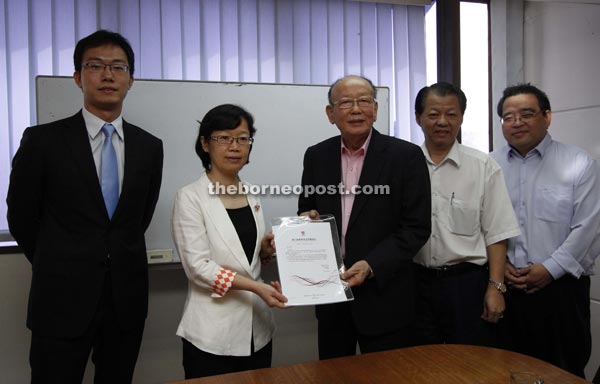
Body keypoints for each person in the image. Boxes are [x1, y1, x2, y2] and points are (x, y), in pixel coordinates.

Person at [6, 30, 163, 383]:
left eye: (118, 67)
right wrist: (57, 259)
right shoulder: (43, 141)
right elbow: (21, 216)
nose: (108, 75)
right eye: (96, 65)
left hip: (125, 299)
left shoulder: (149, 147)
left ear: (131, 79)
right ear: (78, 77)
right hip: (60, 298)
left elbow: (138, 218)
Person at [298, 75, 431, 359]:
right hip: (331, 297)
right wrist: (305, 223)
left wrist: (371, 265)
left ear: (376, 109)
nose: (356, 109)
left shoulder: (405, 156)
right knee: (334, 378)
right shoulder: (316, 156)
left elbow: (416, 228)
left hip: (386, 297)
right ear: (331, 114)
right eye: (345, 102)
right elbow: (306, 207)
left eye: (364, 101)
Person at [491, 83, 600, 378]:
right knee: (506, 369)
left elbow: (588, 227)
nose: (517, 122)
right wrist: (503, 268)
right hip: (508, 287)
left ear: (547, 116)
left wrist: (550, 269)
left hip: (562, 289)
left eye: (527, 114)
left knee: (562, 369)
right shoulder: (490, 165)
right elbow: (484, 225)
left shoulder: (579, 163)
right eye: (508, 117)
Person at [171, 104, 287, 379]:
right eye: (224, 138)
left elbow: (243, 256)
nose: (235, 146)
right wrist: (256, 288)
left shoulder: (252, 195)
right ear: (205, 144)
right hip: (212, 336)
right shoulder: (189, 197)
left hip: (258, 332)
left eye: (243, 138)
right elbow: (198, 267)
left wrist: (264, 251)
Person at [412, 82, 520, 347]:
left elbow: (497, 232)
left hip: (466, 285)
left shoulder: (483, 166)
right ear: (419, 118)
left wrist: (496, 288)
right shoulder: (403, 164)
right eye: (433, 114)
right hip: (414, 283)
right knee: (418, 363)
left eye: (451, 114)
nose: (442, 122)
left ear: (461, 118)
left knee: (472, 362)